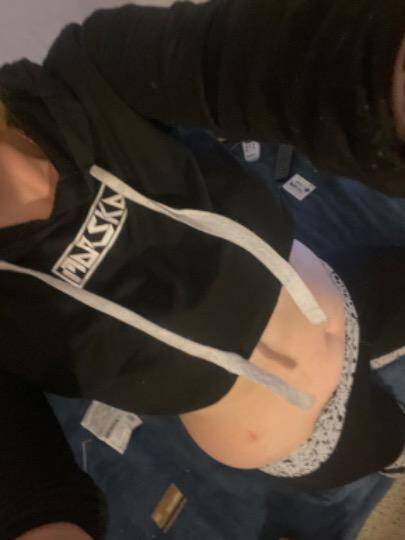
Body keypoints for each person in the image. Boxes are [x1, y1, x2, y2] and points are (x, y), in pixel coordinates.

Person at [1, 1, 405, 538]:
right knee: (384, 436)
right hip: (307, 437)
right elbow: (24, 482)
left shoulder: (86, 73)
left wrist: (384, 71)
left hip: (331, 295)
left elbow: (273, 58)